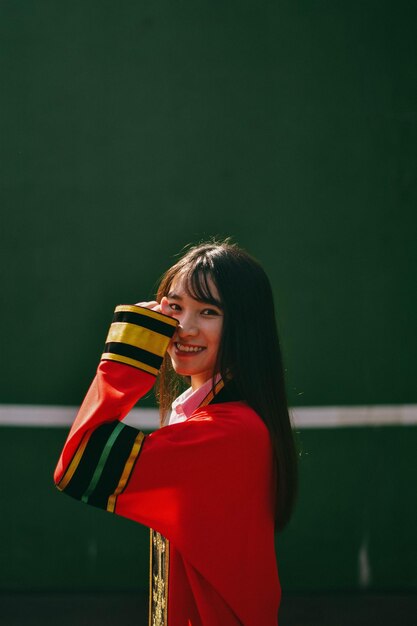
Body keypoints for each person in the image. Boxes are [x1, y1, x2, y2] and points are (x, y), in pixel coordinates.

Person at [54, 239, 298, 626]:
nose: (184, 328)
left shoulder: (228, 432)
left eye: (208, 311)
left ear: (243, 325)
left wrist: (131, 346)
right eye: (174, 307)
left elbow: (78, 464)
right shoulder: (210, 415)